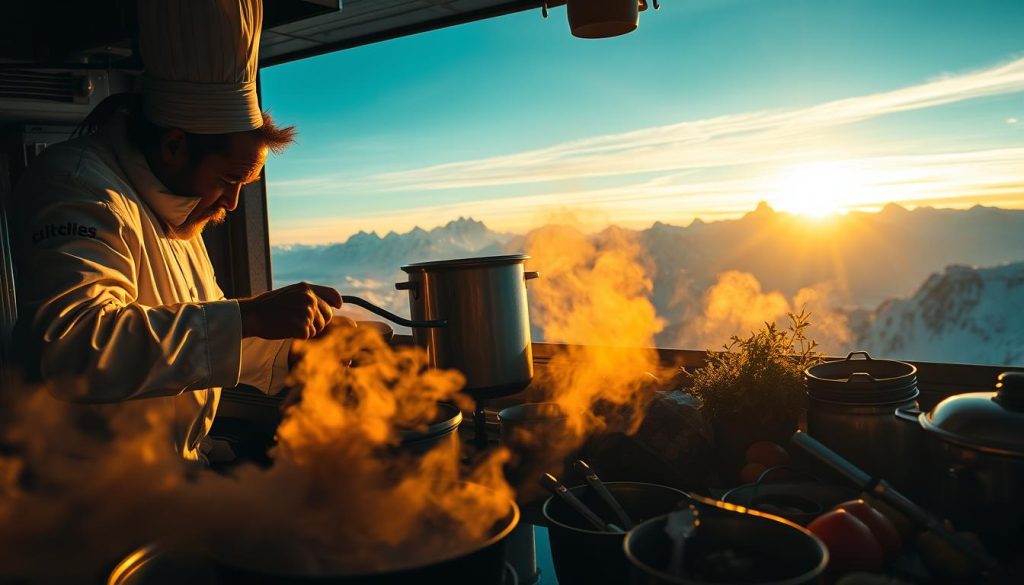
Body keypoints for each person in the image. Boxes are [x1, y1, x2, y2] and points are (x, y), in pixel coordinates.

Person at [10, 0, 340, 462]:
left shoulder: (176, 208)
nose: (231, 203)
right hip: (89, 499)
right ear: (173, 146)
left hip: (160, 479)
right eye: (229, 181)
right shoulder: (76, 185)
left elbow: (197, 338)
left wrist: (293, 354)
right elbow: (73, 347)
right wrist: (251, 316)